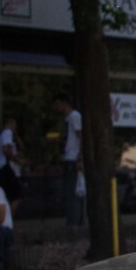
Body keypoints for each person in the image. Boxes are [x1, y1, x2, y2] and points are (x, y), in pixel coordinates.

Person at [54, 92, 84, 225]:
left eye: (57, 105)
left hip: (73, 158)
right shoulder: (68, 119)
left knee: (73, 191)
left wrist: (79, 158)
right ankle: (73, 219)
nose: (56, 108)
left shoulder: (74, 117)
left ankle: (75, 221)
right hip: (69, 156)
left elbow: (81, 136)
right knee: (69, 191)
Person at [0, 116, 24, 216]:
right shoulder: (7, 133)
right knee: (17, 194)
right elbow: (6, 149)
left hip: (4, 168)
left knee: (9, 193)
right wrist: (16, 160)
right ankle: (8, 217)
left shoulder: (6, 134)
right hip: (6, 168)